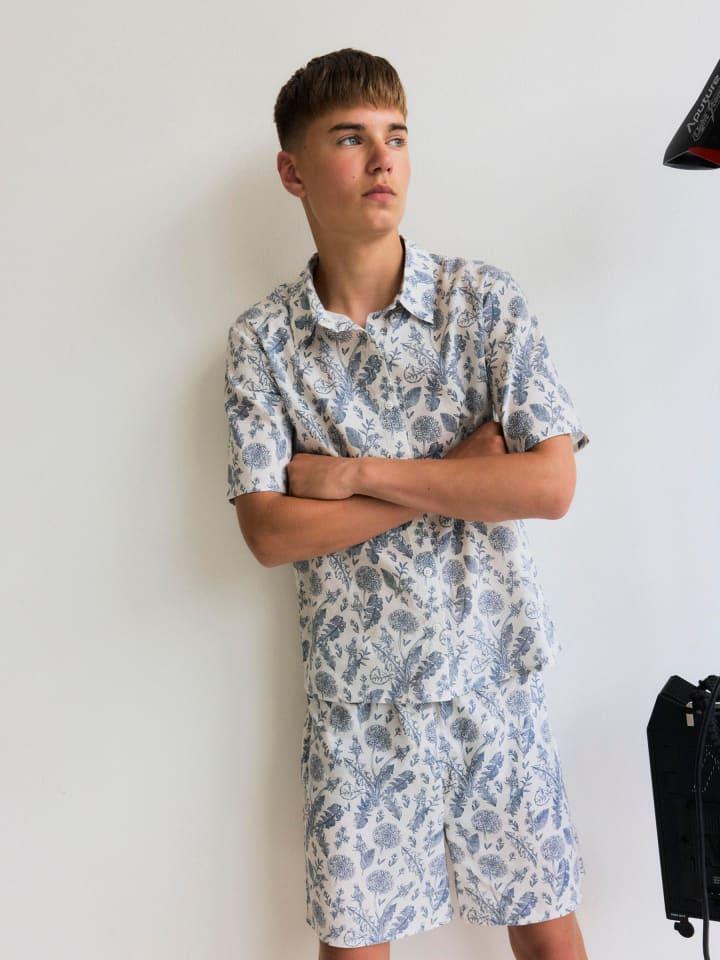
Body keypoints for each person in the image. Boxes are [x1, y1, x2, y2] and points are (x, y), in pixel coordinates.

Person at [224, 47, 591, 960]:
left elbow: (547, 486)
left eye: (396, 136)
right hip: (358, 707)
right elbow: (269, 532)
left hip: (495, 681)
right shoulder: (264, 343)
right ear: (293, 171)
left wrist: (354, 475)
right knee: (356, 948)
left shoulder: (483, 303)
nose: (383, 159)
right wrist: (460, 476)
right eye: (350, 138)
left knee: (549, 937)